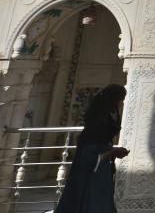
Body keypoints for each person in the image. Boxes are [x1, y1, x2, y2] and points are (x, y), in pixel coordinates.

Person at [55, 84, 129, 213]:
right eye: (120, 99)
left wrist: (112, 152)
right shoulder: (98, 122)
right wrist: (113, 152)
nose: (120, 103)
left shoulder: (107, 115)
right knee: (90, 199)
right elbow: (91, 156)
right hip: (92, 171)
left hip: (102, 168)